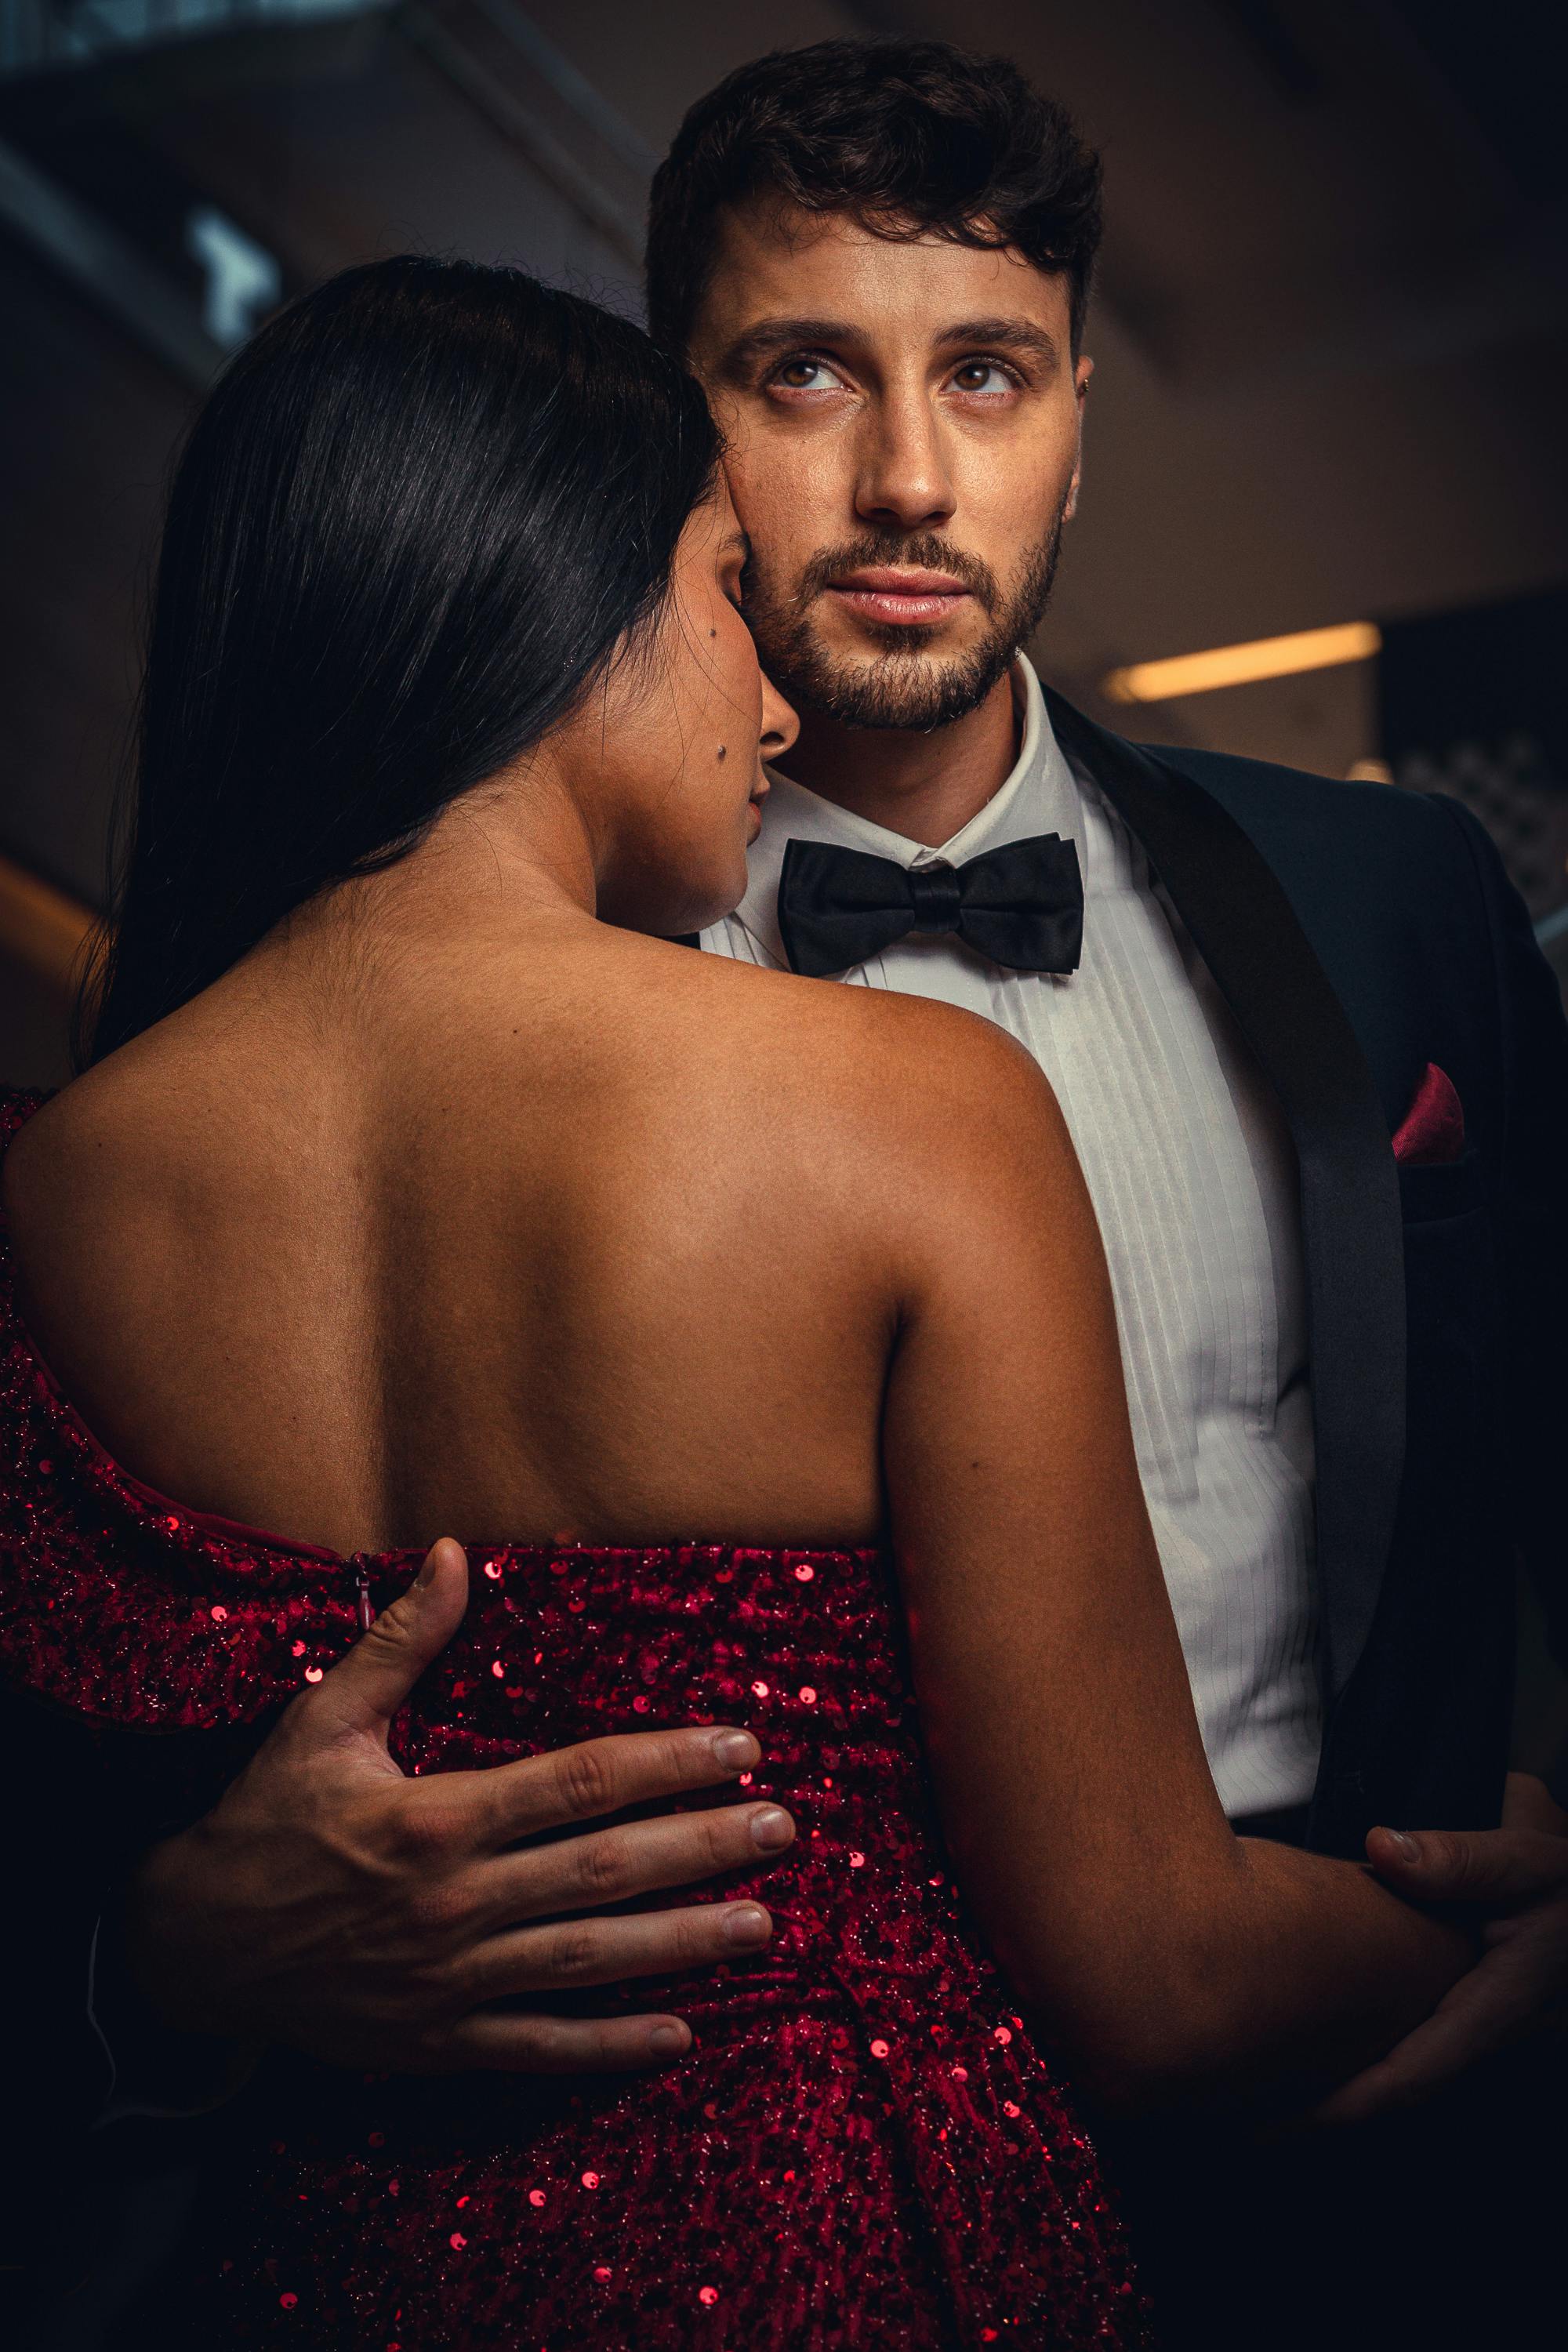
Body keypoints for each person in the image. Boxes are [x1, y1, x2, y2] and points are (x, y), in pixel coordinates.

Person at [0, 256, 1479, 2348]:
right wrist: (1494, 1933)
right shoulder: (911, 1111)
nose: (773, 703)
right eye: (721, 586)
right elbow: (1153, 1976)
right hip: (858, 2248)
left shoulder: (53, 1190)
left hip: (297, 2260)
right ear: (554, 590)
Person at [641, 38, 1568, 2347]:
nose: (905, 475)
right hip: (797, 2201)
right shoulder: (564, 984)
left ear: (1077, 420)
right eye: (801, 375)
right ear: (677, 429)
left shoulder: (1401, 897)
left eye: (987, 373)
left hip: (1402, 2136)